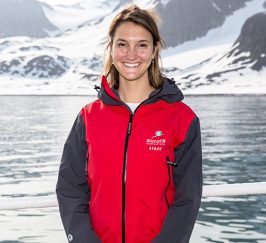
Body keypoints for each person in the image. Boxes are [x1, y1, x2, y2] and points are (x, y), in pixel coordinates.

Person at [56, 4, 202, 243]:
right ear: (111, 50)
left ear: (155, 50)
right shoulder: (88, 117)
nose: (131, 54)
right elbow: (69, 188)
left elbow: (188, 198)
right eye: (122, 44)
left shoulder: (182, 119)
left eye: (142, 45)